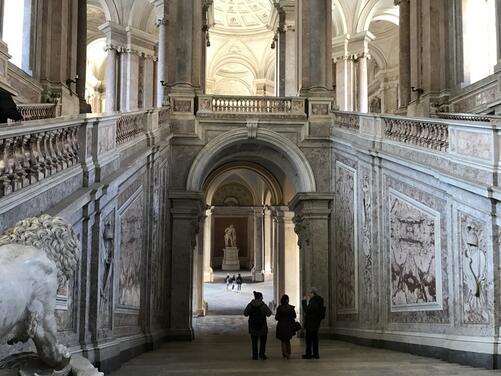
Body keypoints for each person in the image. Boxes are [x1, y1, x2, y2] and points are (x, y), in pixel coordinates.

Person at [244, 291, 272, 360]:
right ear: (260, 297)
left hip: (252, 326)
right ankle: (262, 354)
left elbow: (245, 313)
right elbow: (269, 314)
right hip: (262, 326)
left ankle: (255, 355)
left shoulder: (250, 305)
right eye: (262, 296)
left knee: (254, 342)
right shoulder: (263, 305)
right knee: (263, 341)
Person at [301, 287, 325, 359]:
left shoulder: (314, 301)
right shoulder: (319, 300)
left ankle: (309, 354)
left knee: (309, 340)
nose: (309, 295)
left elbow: (307, 310)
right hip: (316, 323)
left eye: (309, 293)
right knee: (315, 339)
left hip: (311, 323)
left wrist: (304, 301)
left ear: (313, 293)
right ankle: (316, 354)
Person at [275, 294, 297, 359]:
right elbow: (294, 316)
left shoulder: (279, 308)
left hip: (281, 325)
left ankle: (284, 353)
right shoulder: (291, 308)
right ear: (287, 300)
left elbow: (276, 318)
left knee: (283, 340)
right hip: (289, 325)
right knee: (288, 340)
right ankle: (289, 353)